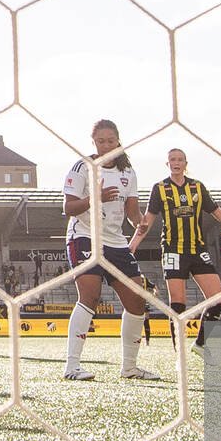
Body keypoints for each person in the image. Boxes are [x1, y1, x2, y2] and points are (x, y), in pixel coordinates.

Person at [127, 148, 221, 350]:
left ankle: (200, 343)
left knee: (218, 297)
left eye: (180, 160)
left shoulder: (197, 187)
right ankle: (179, 350)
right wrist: (132, 245)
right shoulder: (160, 188)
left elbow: (219, 214)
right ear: (167, 164)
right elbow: (147, 221)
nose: (176, 163)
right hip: (173, 250)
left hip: (197, 249)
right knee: (178, 303)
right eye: (172, 159)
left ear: (186, 164)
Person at [61, 120, 155, 381]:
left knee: (137, 300)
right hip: (84, 237)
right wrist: (95, 198)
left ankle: (129, 368)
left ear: (118, 141)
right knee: (90, 296)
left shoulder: (129, 173)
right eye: (100, 141)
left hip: (116, 242)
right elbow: (68, 208)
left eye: (110, 140)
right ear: (94, 143)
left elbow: (132, 211)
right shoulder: (82, 168)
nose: (105, 145)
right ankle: (72, 366)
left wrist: (139, 222)